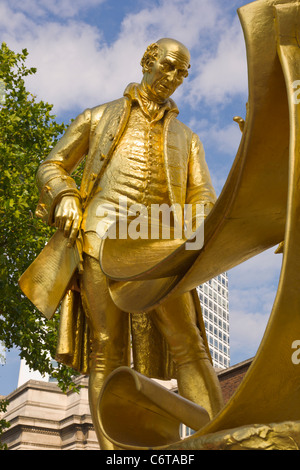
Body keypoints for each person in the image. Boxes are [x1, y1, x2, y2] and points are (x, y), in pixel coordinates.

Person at [35, 38, 224, 449]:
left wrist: (206, 221)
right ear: (147, 61)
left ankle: (221, 438)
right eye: (168, 66)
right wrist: (65, 195)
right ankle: (113, 451)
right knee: (106, 348)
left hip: (160, 243)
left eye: (182, 73)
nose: (173, 78)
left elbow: (203, 198)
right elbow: (51, 164)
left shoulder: (188, 138)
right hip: (100, 236)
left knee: (188, 341)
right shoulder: (98, 116)